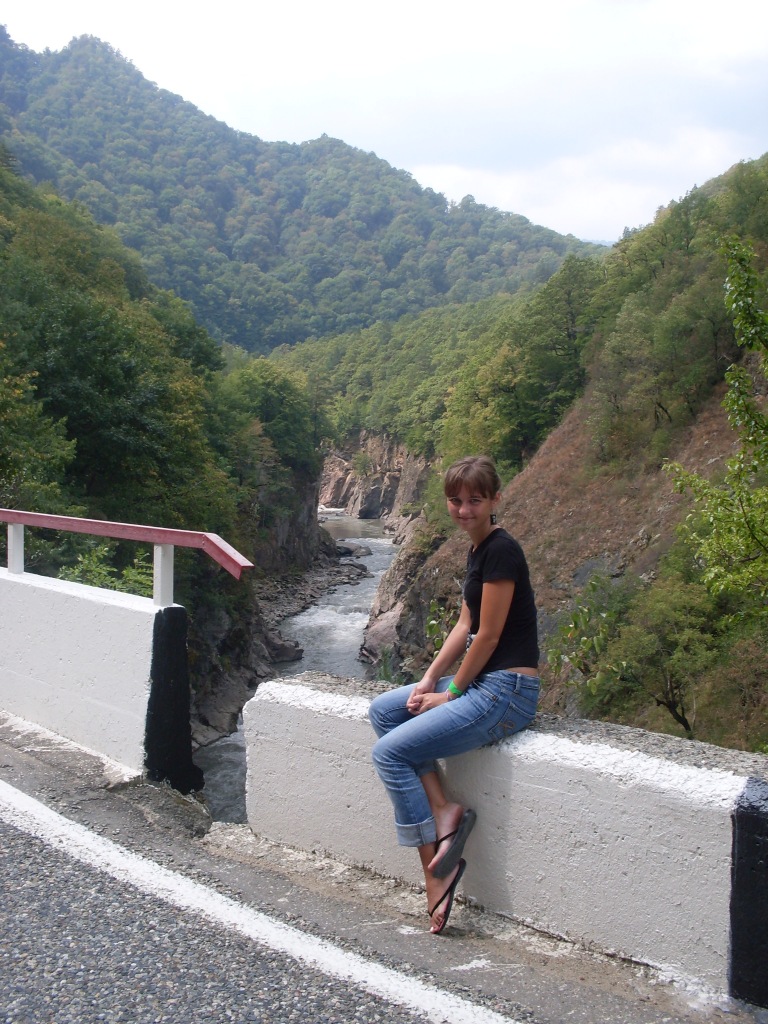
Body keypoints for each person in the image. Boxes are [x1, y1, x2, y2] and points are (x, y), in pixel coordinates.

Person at [368, 455, 540, 934]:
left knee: (389, 754)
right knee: (386, 711)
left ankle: (434, 870)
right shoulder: (477, 550)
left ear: (495, 499)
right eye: (456, 500)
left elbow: (489, 635)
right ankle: (443, 809)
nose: (464, 509)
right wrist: (429, 680)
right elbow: (464, 626)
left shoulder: (502, 551)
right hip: (485, 684)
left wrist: (452, 694)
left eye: (475, 500)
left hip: (508, 692)